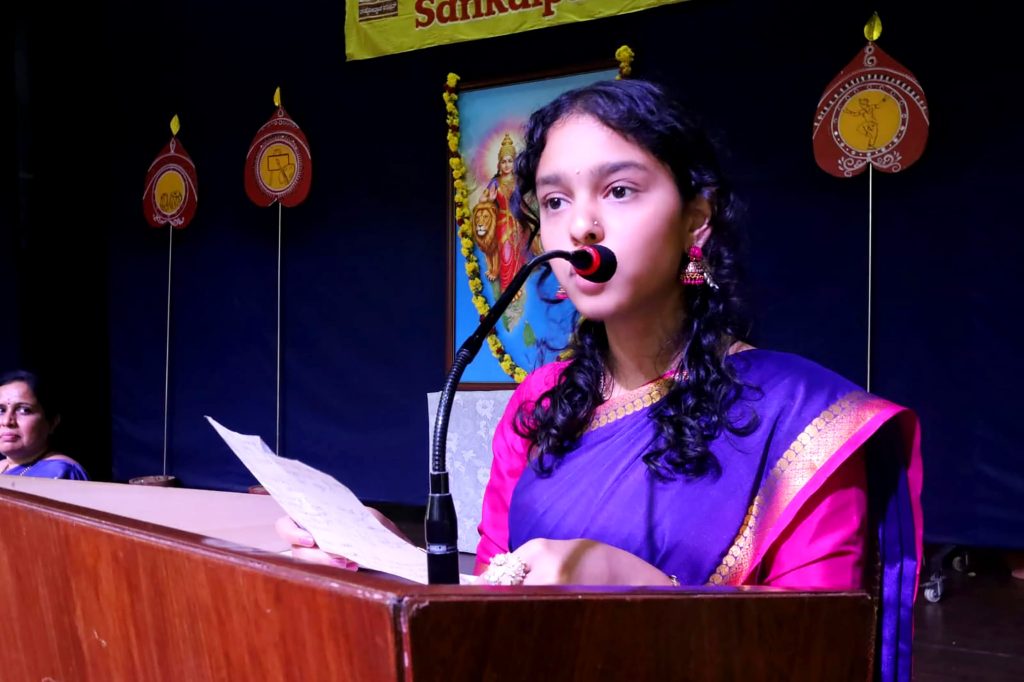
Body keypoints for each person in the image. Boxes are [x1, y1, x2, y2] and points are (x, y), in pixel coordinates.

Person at [277, 79, 922, 680]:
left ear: (696, 218)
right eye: (555, 201)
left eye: (619, 190)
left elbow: (815, 655)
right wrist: (385, 558)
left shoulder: (803, 420)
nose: (581, 225)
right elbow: (491, 594)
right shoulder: (540, 404)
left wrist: (631, 586)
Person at [0, 369, 88, 479]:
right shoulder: (3, 467)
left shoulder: (59, 471)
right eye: (1, 410)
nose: (6, 421)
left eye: (24, 410)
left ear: (52, 422)